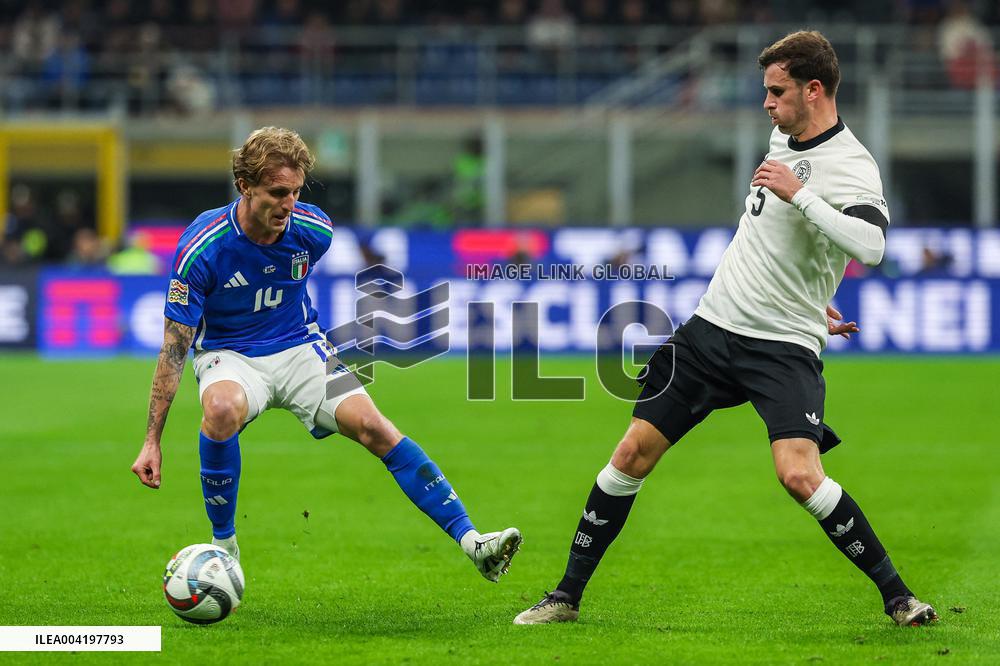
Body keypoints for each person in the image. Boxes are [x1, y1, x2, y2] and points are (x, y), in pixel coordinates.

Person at [514, 31, 938, 627]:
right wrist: (812, 291)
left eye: (777, 91)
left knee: (798, 474)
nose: (766, 103)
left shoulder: (851, 166)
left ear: (813, 90)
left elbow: (870, 246)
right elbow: (775, 238)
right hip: (712, 329)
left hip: (781, 346)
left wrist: (801, 195)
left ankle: (900, 598)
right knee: (631, 454)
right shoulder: (783, 137)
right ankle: (565, 597)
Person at [130, 127, 521, 582]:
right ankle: (225, 548)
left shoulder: (313, 230)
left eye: (295, 192)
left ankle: (474, 543)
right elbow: (174, 348)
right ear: (245, 186)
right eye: (277, 192)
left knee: (376, 427)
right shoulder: (203, 246)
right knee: (219, 410)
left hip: (301, 347)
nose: (288, 205)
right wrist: (152, 439)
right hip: (230, 354)